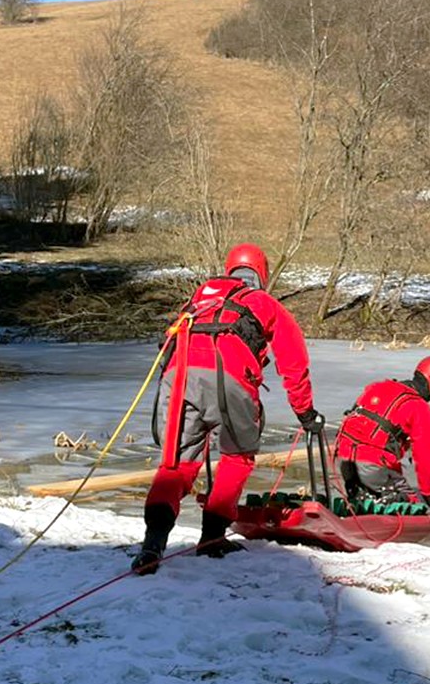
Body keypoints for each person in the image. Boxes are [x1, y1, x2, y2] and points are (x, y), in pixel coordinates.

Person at [132, 243, 319, 574]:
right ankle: (212, 537)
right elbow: (294, 362)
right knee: (237, 456)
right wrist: (304, 412)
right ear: (261, 274)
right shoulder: (263, 302)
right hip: (231, 378)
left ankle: (152, 544)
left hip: (178, 378)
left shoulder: (197, 300)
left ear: (230, 269)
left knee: (176, 464)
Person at [335, 356, 430, 512]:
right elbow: (424, 458)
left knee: (368, 495)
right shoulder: (419, 408)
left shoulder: (378, 386)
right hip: (372, 464)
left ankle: (359, 500)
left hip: (342, 459)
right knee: (412, 505)